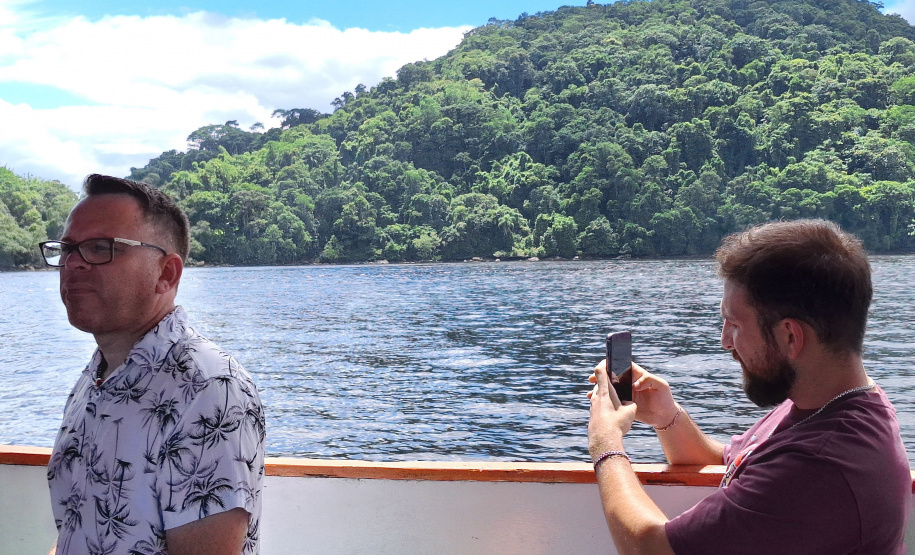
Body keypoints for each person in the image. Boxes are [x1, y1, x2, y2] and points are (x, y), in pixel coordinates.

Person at [587, 219, 910, 554]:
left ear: (790, 336)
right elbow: (735, 461)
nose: (725, 341)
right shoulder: (827, 404)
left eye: (735, 324)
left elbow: (650, 549)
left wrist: (605, 441)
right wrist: (666, 417)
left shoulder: (819, 465)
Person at [41, 175, 266, 555]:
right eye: (67, 249)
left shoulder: (209, 390)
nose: (73, 264)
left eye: (100, 248)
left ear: (167, 274)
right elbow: (80, 525)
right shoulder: (99, 374)